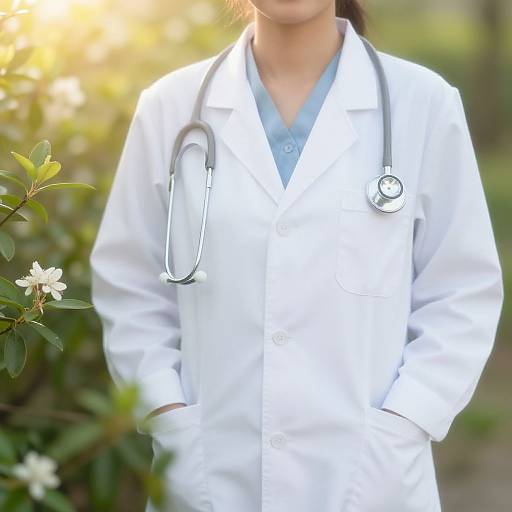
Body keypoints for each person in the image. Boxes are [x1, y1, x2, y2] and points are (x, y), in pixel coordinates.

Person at [89, 1, 504, 511]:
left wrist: (405, 421)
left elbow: (462, 293)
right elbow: (129, 286)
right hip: (211, 475)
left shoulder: (424, 104)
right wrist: (166, 410)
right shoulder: (169, 109)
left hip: (372, 481)